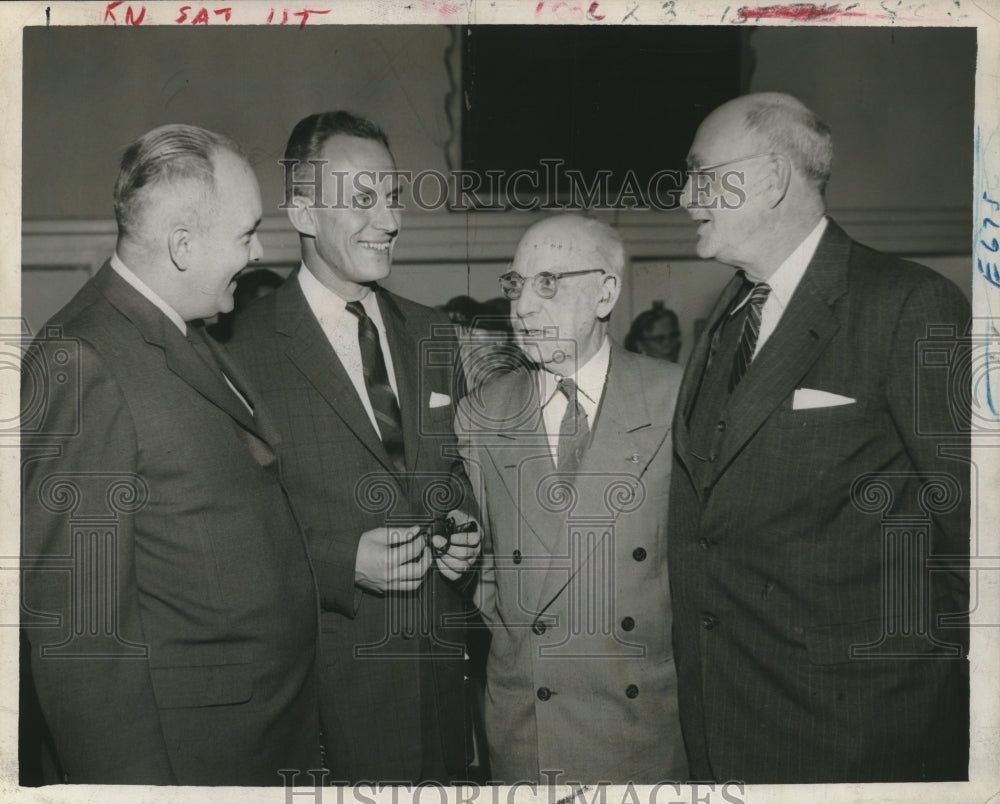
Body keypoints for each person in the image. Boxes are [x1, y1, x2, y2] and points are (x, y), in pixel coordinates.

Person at [668, 92, 970, 783]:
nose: (685, 198)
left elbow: (977, 533)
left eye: (701, 175)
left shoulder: (908, 305)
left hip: (859, 737)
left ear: (771, 178)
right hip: (725, 723)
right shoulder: (730, 313)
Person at [19, 124, 321, 784]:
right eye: (246, 234)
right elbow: (83, 642)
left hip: (257, 741)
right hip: (192, 761)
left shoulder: (182, 327)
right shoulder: (81, 360)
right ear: (183, 247)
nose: (260, 251)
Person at [226, 111, 480, 783]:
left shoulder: (433, 335)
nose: (391, 220)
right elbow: (227, 535)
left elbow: (451, 474)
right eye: (364, 199)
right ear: (303, 213)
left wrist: (463, 525)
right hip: (326, 708)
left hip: (443, 693)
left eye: (392, 197)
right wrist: (339, 564)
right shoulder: (238, 351)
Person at [456, 213, 688, 784]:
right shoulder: (480, 413)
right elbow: (487, 576)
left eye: (549, 283)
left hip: (645, 730)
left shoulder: (676, 397)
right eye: (517, 284)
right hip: (529, 734)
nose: (524, 306)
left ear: (606, 292)